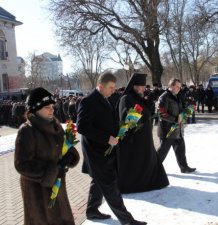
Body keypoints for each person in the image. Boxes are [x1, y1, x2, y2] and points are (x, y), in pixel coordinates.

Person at [77, 72, 146, 225]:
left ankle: (92, 210)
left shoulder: (107, 98)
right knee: (110, 185)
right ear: (100, 86)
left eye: (114, 87)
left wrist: (123, 127)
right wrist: (106, 138)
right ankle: (127, 220)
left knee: (98, 180)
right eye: (111, 87)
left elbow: (108, 121)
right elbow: (82, 126)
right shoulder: (88, 101)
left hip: (106, 148)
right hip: (96, 151)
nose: (113, 90)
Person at [14, 87, 80, 225]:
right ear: (35, 109)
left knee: (62, 218)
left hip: (58, 187)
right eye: (47, 107)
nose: (52, 110)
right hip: (38, 193)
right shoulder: (27, 130)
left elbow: (65, 146)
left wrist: (70, 156)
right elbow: (22, 164)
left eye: (52, 106)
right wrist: (51, 171)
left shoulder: (55, 126)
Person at [117, 73, 169, 193]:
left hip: (144, 137)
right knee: (137, 162)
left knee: (148, 159)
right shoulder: (126, 98)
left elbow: (146, 111)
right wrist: (135, 117)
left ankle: (150, 182)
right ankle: (137, 185)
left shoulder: (139, 97)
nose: (143, 89)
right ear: (134, 86)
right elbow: (125, 118)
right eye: (140, 86)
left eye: (144, 86)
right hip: (134, 138)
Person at [156, 78, 196, 173]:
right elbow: (161, 113)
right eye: (177, 86)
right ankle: (153, 169)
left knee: (181, 150)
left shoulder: (178, 96)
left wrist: (188, 110)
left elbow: (181, 110)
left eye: (180, 86)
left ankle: (184, 167)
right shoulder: (164, 97)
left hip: (178, 129)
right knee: (162, 152)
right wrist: (175, 119)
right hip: (167, 130)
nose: (179, 88)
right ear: (171, 86)